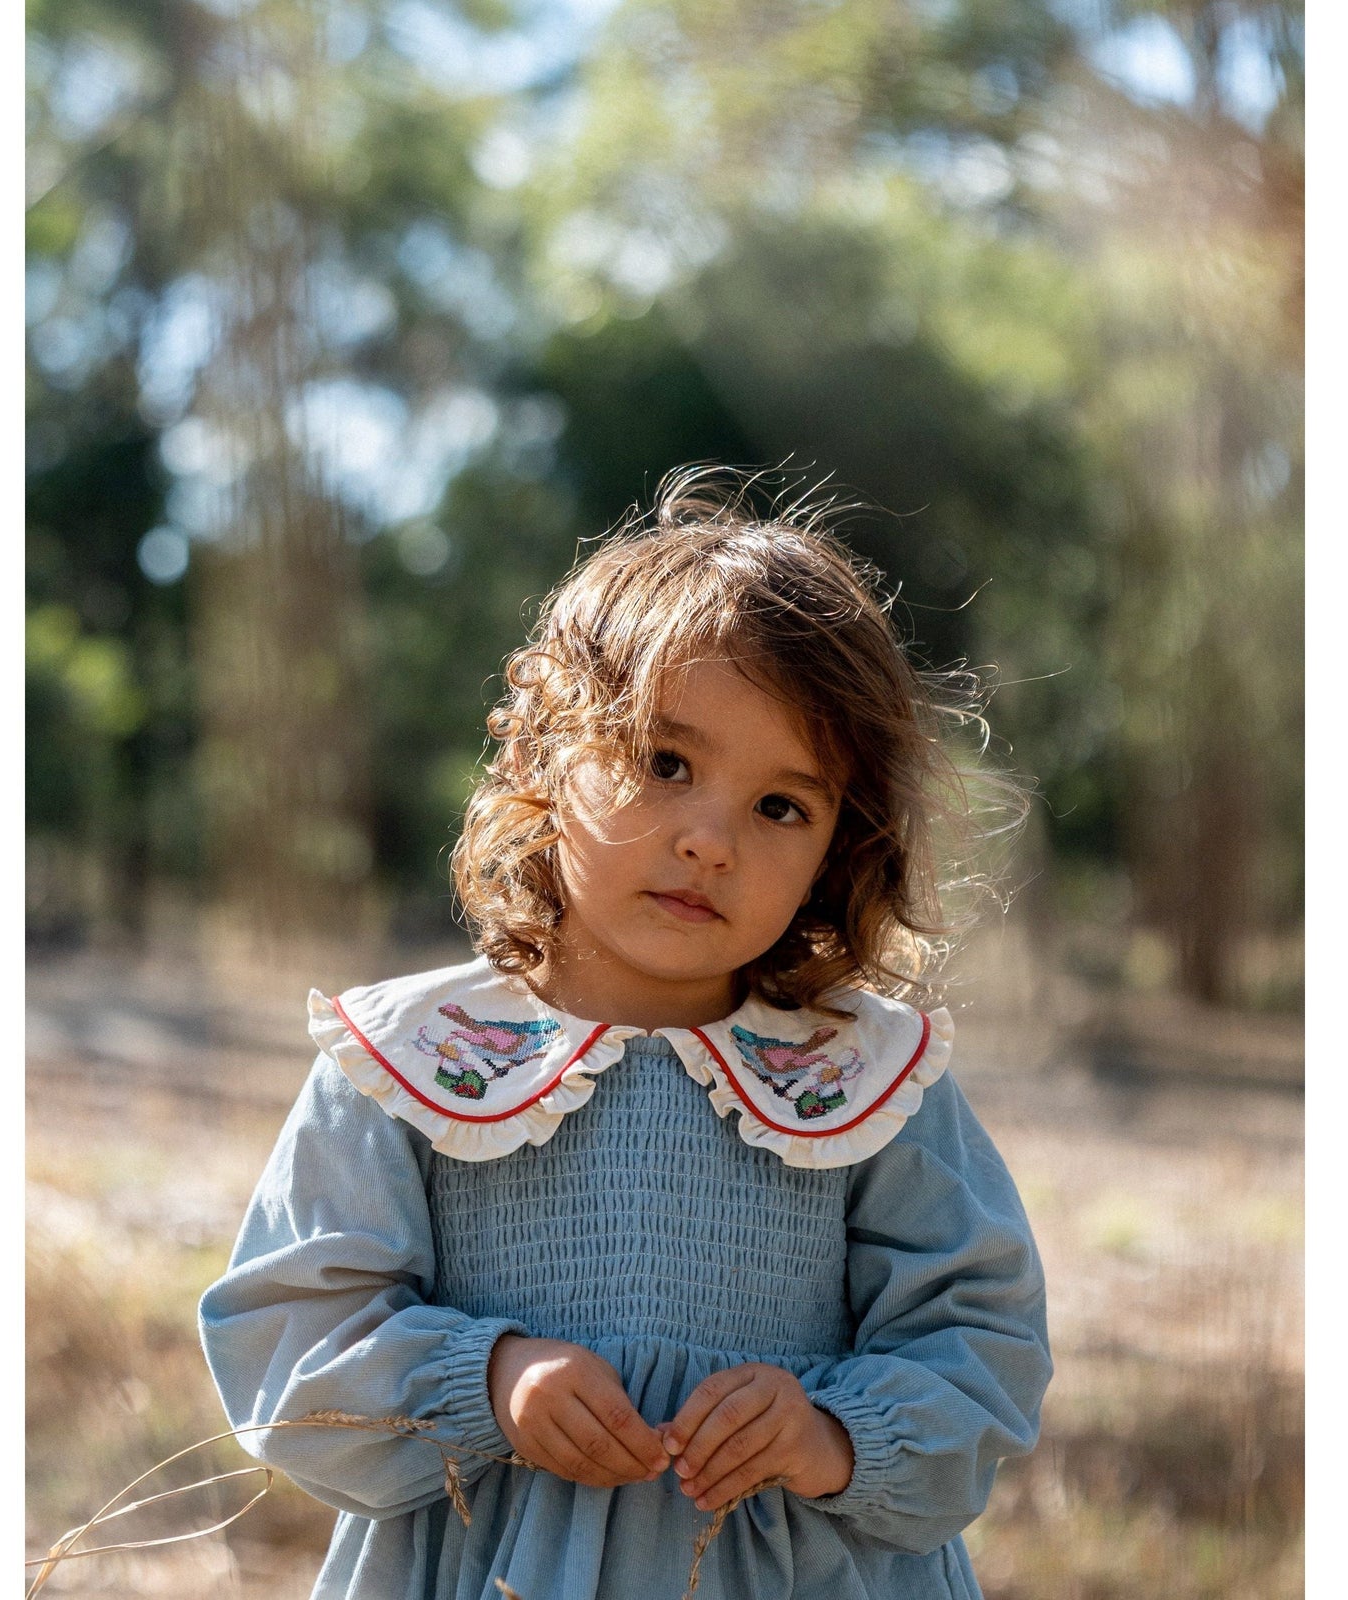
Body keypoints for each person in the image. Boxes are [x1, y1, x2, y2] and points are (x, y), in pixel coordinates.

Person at [199, 467, 1052, 1600]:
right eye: (664, 763)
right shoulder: (407, 1060)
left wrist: (829, 1432)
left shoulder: (866, 1079)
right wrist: (486, 1379)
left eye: (779, 805)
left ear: (838, 849)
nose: (710, 838)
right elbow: (290, 1331)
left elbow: (980, 1341)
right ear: (551, 753)